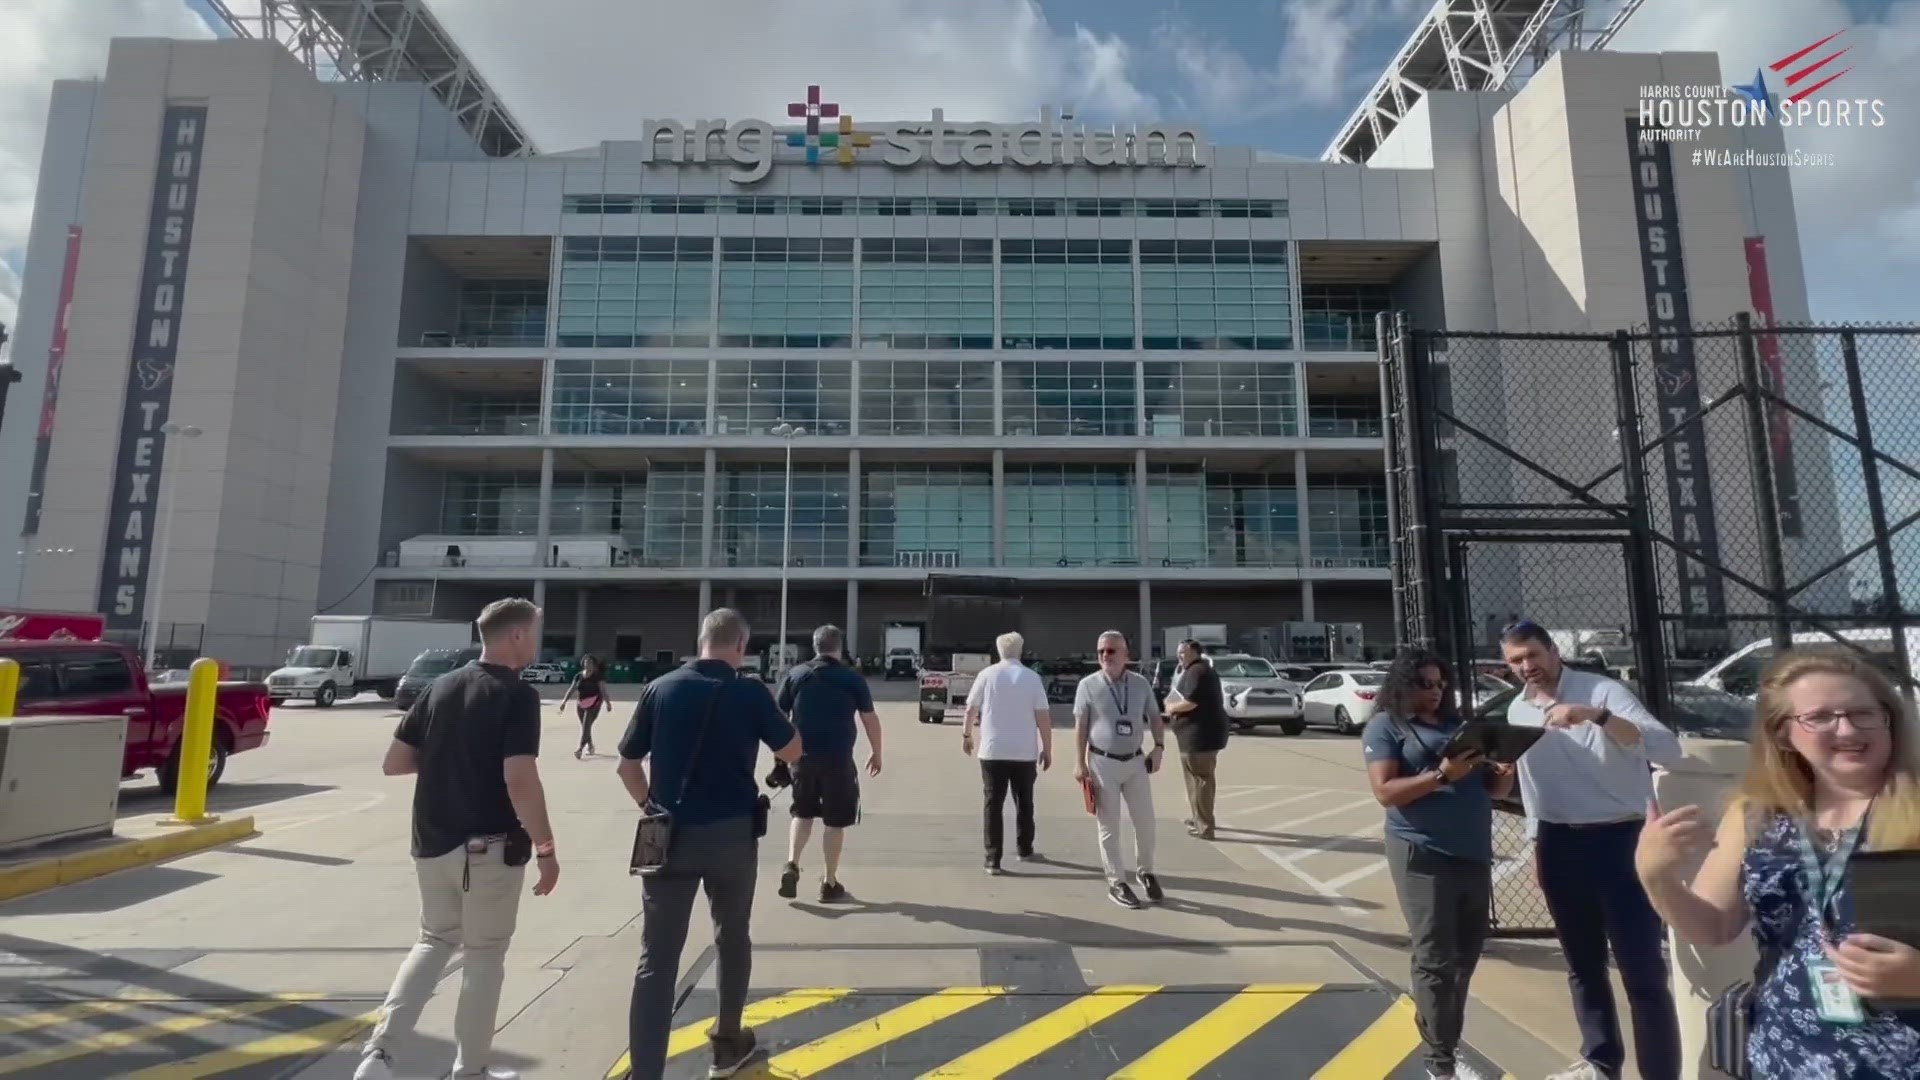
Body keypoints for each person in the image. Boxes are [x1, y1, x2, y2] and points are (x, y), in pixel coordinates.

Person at [1636, 649, 1920, 1078]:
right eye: (1820, 717)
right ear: (1784, 734)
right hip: (1785, 1053)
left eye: (1863, 713)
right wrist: (1657, 876)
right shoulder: (1755, 815)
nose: (1846, 729)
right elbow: (1712, 927)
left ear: (1889, 720)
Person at [356, 598, 558, 1080]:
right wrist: (546, 847)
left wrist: (453, 758)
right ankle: (470, 1070)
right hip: (486, 849)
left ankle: (378, 1055)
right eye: (533, 632)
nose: (536, 641)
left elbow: (396, 762)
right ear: (515, 636)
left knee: (432, 941)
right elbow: (520, 777)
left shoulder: (439, 687)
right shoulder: (516, 695)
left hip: (431, 843)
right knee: (484, 957)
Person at [617, 608, 803, 1080]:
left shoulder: (660, 688)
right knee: (732, 937)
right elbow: (793, 751)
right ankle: (726, 1047)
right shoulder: (748, 691)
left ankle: (646, 1072)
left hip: (666, 836)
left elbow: (627, 764)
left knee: (656, 961)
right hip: (730, 837)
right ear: (740, 645)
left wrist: (649, 807)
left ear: (701, 640)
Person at [1499, 620, 1685, 1080]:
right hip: (1560, 843)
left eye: (1533, 655)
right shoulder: (1517, 713)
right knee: (1583, 965)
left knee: (1642, 973)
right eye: (1515, 661)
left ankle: (1659, 1072)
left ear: (1553, 652)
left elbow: (1667, 747)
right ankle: (1600, 1062)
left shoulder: (1602, 691)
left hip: (1622, 841)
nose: (1527, 667)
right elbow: (1531, 788)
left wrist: (1593, 715)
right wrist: (1536, 847)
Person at [1363, 647, 1515, 1080]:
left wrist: (1502, 775)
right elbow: (1386, 792)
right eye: (1425, 684)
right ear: (1403, 684)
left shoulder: (1458, 727)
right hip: (1422, 852)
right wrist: (1441, 776)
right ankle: (1440, 1063)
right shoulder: (1387, 726)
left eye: (1441, 684)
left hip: (1472, 852)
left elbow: (1492, 792)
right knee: (1434, 958)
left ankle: (1446, 1042)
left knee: (1464, 959)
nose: (1435, 692)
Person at [774, 625, 882, 903]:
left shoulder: (795, 675)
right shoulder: (851, 678)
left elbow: (778, 717)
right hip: (838, 760)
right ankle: (829, 881)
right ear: (839, 647)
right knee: (835, 822)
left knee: (802, 813)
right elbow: (870, 718)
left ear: (815, 646)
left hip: (802, 759)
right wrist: (876, 751)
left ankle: (792, 863)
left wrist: (781, 756)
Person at [1074, 630, 1167, 910]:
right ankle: (1116, 880)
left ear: (1126, 655)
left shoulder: (1140, 685)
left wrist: (1159, 747)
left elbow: (1155, 716)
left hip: (1136, 762)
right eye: (1101, 651)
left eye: (1112, 651)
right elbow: (1080, 726)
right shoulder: (1088, 685)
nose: (1105, 656)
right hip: (1102, 763)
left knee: (1145, 822)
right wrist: (1080, 763)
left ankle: (1146, 871)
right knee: (1109, 825)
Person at [962, 631, 1053, 873]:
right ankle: (1025, 849)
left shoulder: (987, 675)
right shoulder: (1032, 678)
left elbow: (971, 708)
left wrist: (967, 735)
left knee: (993, 803)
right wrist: (1048, 748)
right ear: (1021, 650)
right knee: (1025, 801)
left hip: (992, 751)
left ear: (998, 650)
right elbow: (1043, 716)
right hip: (1024, 752)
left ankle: (993, 859)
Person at [1164, 638, 1228, 840]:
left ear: (1194, 652)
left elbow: (1191, 702)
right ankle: (1199, 817)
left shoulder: (1197, 671)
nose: (1179, 656)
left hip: (1199, 738)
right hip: (1195, 737)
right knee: (1196, 780)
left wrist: (1172, 708)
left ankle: (1205, 826)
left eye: (1182, 652)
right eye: (1178, 653)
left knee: (1201, 780)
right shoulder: (1195, 670)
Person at [557, 654, 611, 758]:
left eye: (590, 662)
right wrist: (564, 702)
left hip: (595, 703)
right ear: (583, 664)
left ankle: (580, 749)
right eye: (586, 662)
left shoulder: (598, 676)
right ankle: (590, 745)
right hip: (581, 703)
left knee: (586, 725)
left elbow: (603, 691)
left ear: (594, 664)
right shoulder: (578, 676)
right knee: (586, 727)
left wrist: (608, 703)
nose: (588, 664)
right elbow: (572, 689)